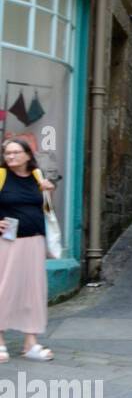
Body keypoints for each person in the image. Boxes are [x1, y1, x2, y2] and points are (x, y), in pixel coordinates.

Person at [0, 138, 56, 362]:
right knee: (4, 289)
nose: (10, 157)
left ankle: (30, 343)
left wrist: (49, 192)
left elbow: (46, 210)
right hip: (7, 242)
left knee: (33, 292)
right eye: (7, 153)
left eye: (15, 152)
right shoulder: (2, 177)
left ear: (27, 155)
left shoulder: (37, 177)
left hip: (34, 241)